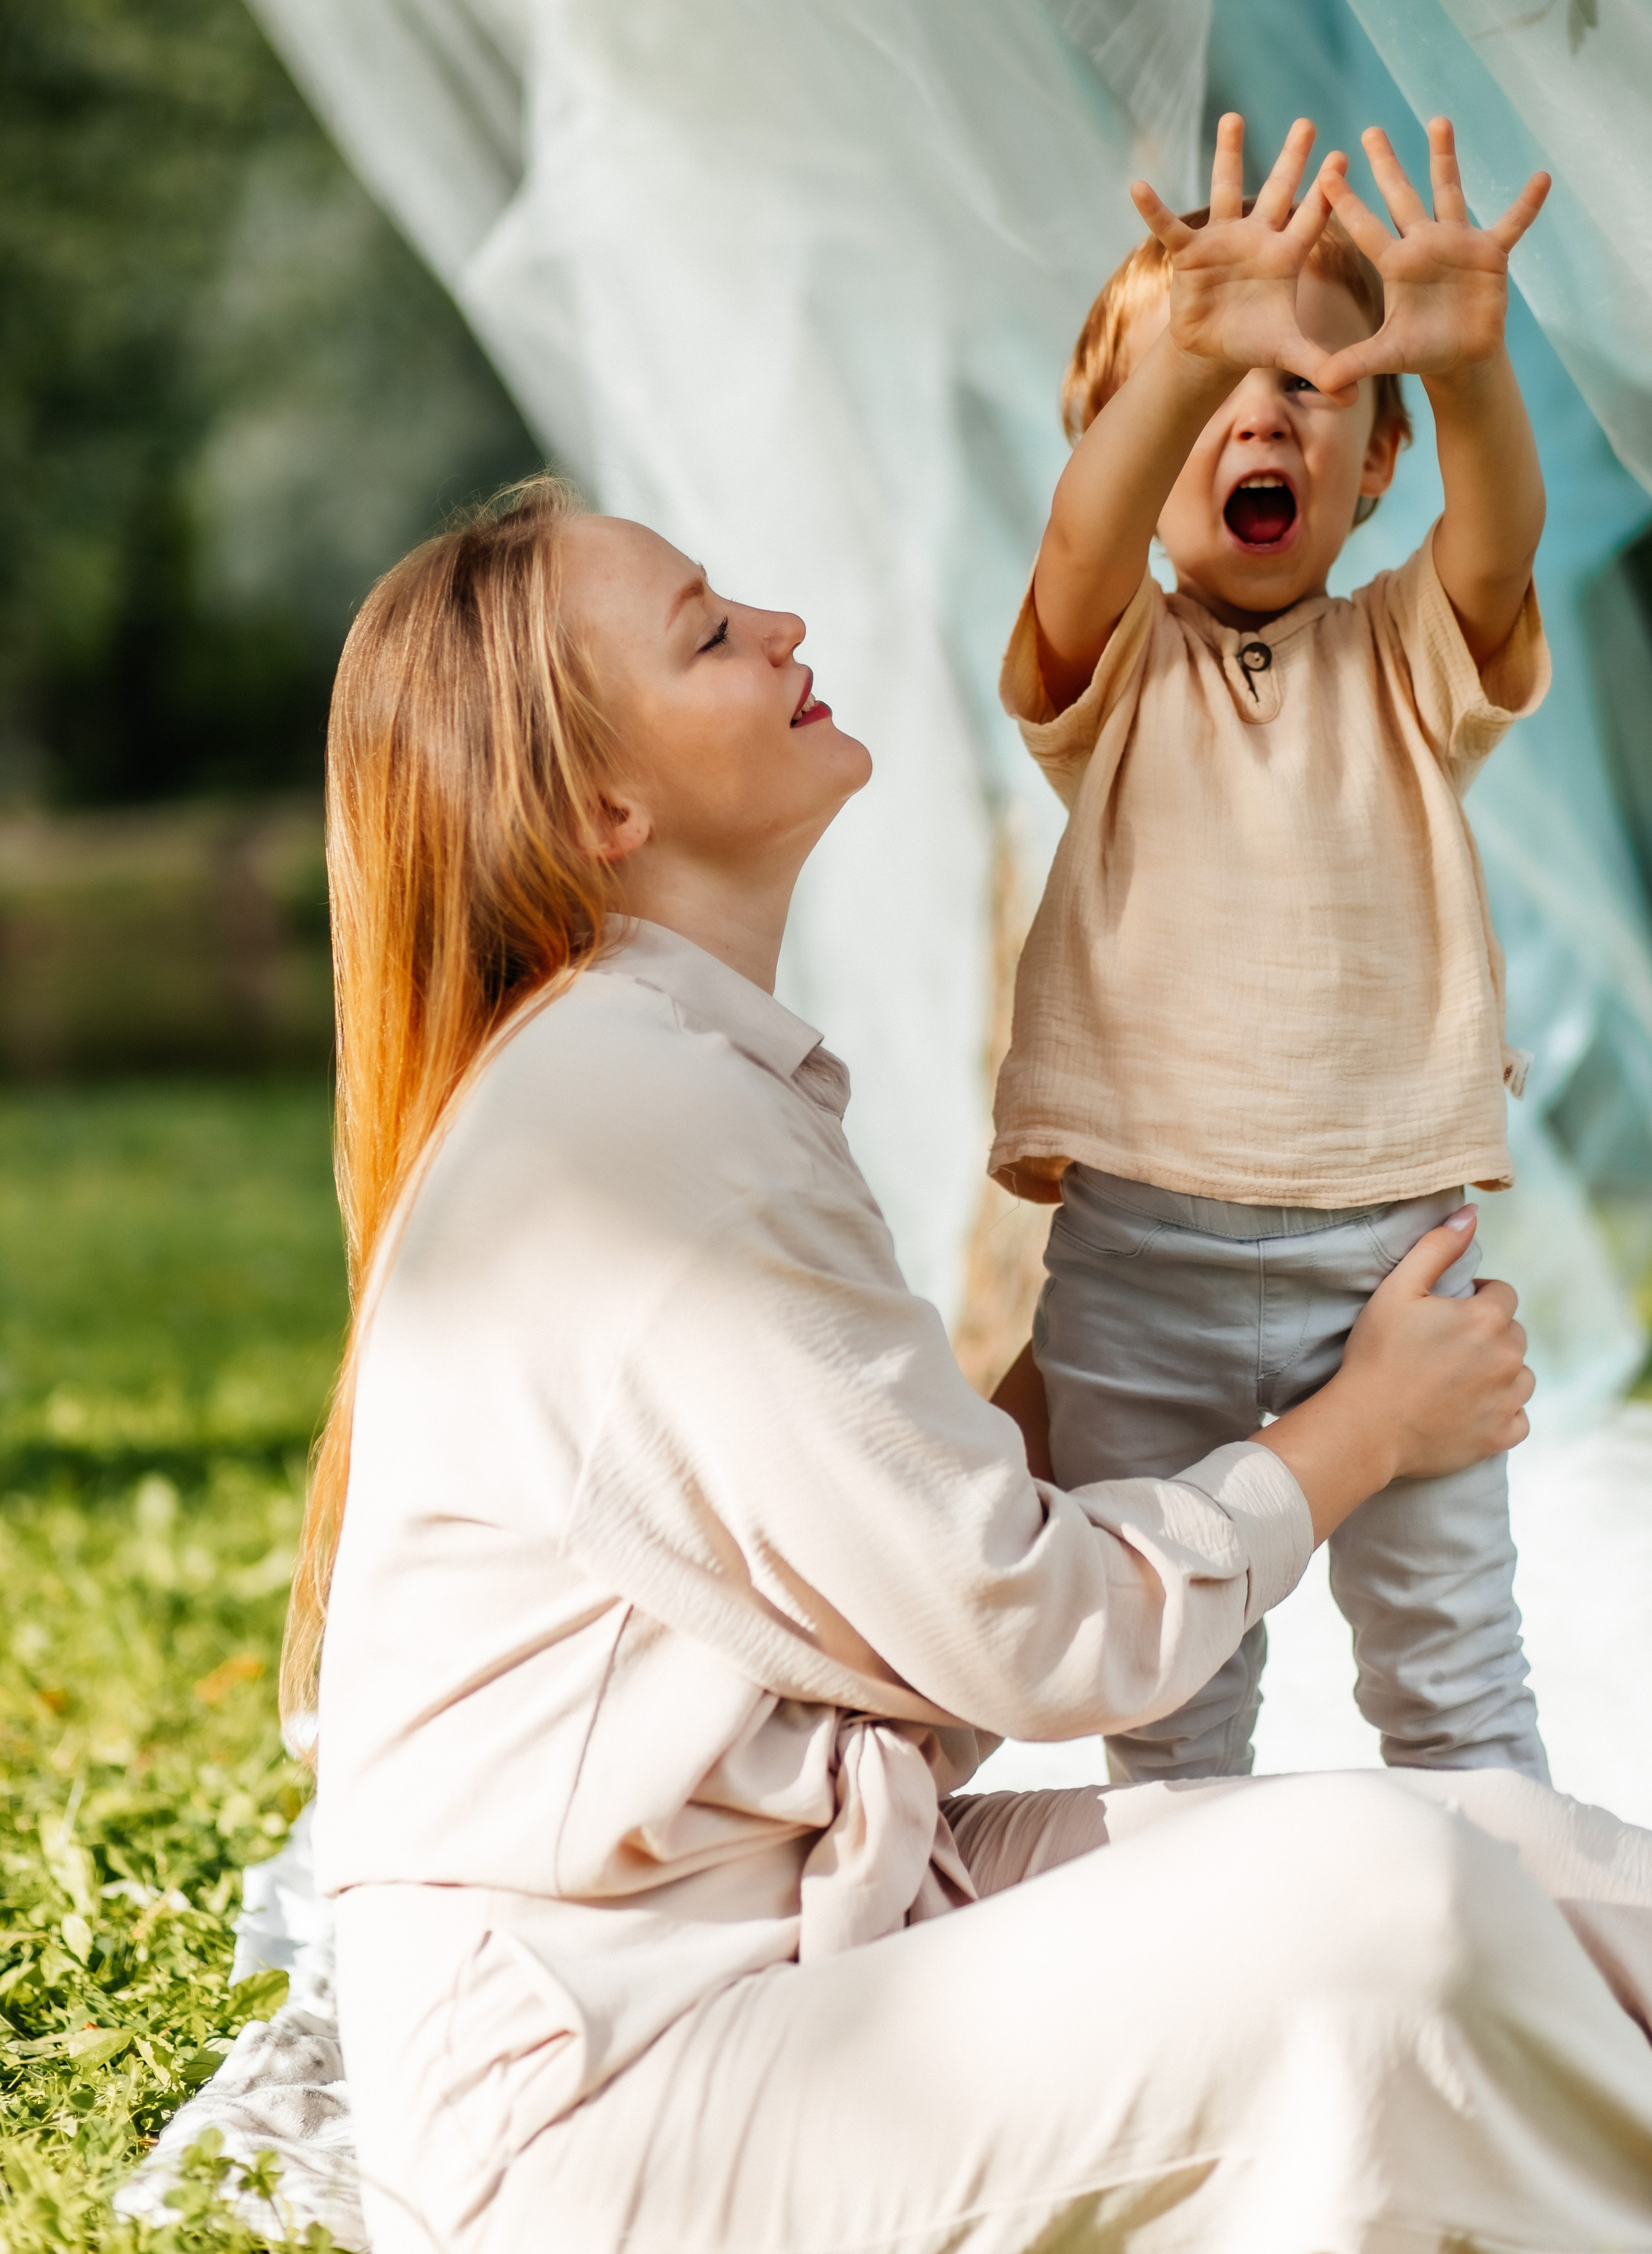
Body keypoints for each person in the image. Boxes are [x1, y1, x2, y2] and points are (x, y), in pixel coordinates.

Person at [294, 474, 1652, 2254]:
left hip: (800, 1933)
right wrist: (1357, 1430)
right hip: (610, 2114)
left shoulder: (670, 1075)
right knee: (1387, 1905)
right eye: (709, 631)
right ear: (601, 805)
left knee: (1500, 1839)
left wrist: (1168, 1252)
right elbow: (1031, 1632)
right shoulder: (636, 1134)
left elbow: (898, 1537)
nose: (779, 628)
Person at [991, 112, 1553, 1785]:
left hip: (1392, 1255)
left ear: (1374, 462)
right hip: (1140, 1262)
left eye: (1310, 383)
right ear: (1125, 440)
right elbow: (1081, 550)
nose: (1259, 407)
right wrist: (1190, 347)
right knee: (1169, 1704)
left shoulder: (1407, 656)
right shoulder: (1112, 671)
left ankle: (1536, 1991)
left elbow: (1499, 543)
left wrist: (1462, 373)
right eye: (1204, 383)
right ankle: (1209, 1994)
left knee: (1457, 1684)